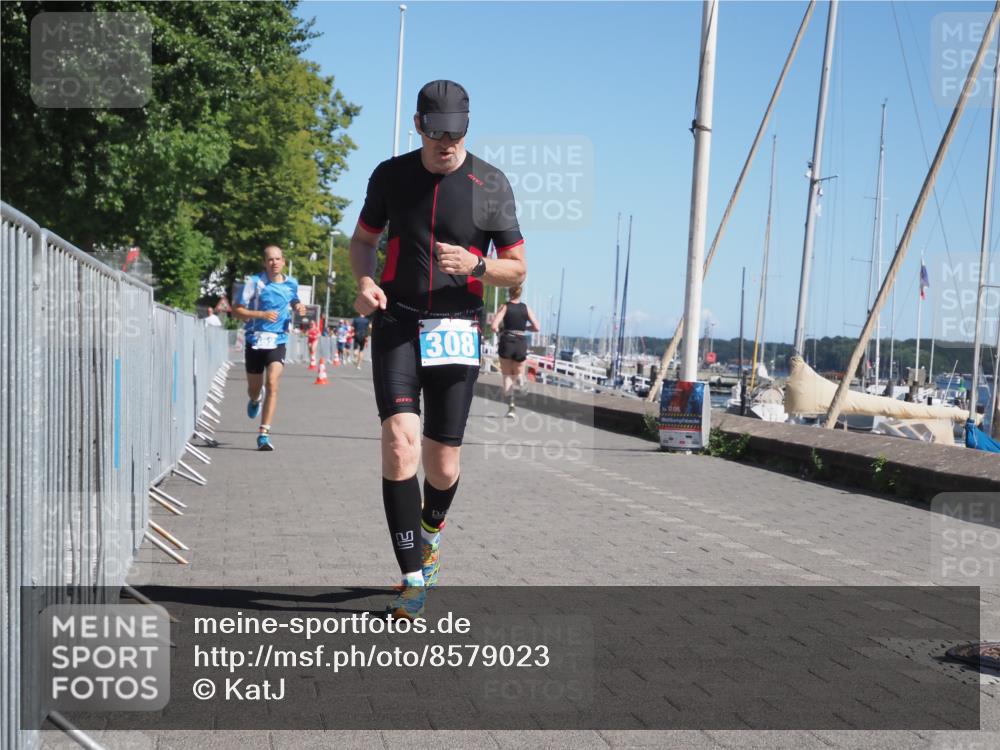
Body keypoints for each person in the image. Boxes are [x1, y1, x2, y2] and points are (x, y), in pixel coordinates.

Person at [350, 79, 525, 618]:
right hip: (398, 323)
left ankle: (431, 529)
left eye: (456, 132)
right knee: (400, 443)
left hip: (458, 328)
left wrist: (477, 265)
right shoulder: (390, 175)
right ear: (418, 127)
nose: (446, 142)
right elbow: (363, 241)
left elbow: (517, 271)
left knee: (442, 465)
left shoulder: (490, 184)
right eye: (436, 132)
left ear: (467, 127)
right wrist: (363, 281)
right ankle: (411, 578)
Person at [233, 245, 307, 451]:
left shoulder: (291, 283)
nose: (274, 263)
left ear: (283, 261)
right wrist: (261, 315)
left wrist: (299, 307)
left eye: (277, 259)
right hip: (255, 340)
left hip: (278, 340)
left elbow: (294, 301)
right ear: (265, 263)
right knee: (254, 389)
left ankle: (263, 434)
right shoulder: (255, 283)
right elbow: (237, 310)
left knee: (273, 383)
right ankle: (255, 399)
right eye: (270, 260)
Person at [491, 286, 540, 418]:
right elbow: (537, 327)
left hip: (507, 341)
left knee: (507, 376)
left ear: (509, 293)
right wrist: (526, 327)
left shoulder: (505, 307)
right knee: (518, 372)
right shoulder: (526, 308)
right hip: (520, 342)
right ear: (520, 293)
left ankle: (511, 408)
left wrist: (500, 332)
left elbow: (494, 326)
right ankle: (521, 381)